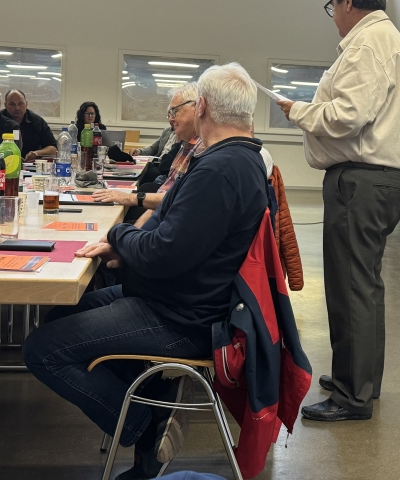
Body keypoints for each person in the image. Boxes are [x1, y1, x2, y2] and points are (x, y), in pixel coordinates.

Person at [23, 63, 268, 480]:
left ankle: (141, 424)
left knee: (41, 350)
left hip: (181, 316)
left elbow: (163, 253)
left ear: (203, 108)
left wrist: (118, 237)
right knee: (63, 314)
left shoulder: (220, 170)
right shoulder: (239, 159)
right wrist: (127, 247)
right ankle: (155, 392)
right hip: (182, 297)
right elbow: (174, 240)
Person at [277, 0, 400, 422]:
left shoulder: (366, 43)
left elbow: (347, 116)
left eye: (332, 7)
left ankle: (351, 396)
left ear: (346, 0)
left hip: (361, 181)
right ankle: (361, 380)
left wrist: (298, 111)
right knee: (365, 287)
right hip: (380, 180)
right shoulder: (389, 40)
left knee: (351, 289)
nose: (333, 17)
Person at [92, 83, 202, 212]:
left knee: (146, 182)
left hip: (165, 212)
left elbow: (175, 200)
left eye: (175, 112)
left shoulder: (202, 150)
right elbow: (154, 148)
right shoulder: (184, 142)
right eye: (169, 114)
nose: (171, 119)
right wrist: (139, 151)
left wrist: (131, 198)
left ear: (198, 108)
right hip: (160, 211)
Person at [2, 89, 56, 162]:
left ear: (26, 104)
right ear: (5, 105)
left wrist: (37, 153)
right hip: (4, 164)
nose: (17, 108)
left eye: (20, 104)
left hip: (31, 165)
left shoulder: (37, 121)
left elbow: (53, 149)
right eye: (12, 104)